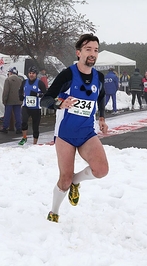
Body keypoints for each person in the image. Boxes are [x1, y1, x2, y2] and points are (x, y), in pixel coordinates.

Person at [39, 33, 108, 223]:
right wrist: (59, 104)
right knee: (65, 179)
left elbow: (101, 96)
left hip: (86, 133)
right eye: (88, 49)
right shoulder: (68, 74)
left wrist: (101, 117)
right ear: (78, 53)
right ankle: (54, 212)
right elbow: (45, 99)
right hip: (65, 135)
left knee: (101, 170)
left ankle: (77, 182)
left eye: (95, 50)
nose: (92, 54)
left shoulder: (99, 77)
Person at [17, 66, 47, 145]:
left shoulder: (40, 83)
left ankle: (34, 143)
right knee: (24, 121)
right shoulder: (24, 82)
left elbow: (46, 94)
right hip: (26, 106)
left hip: (36, 108)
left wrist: (37, 94)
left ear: (36, 74)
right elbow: (20, 90)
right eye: (30, 73)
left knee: (35, 126)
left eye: (33, 73)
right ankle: (24, 137)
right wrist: (20, 95)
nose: (31, 75)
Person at [0, 67, 23, 134]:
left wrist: (4, 100)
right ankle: (19, 128)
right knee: (18, 114)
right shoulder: (20, 80)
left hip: (9, 100)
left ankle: (5, 127)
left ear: (10, 73)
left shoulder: (8, 80)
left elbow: (6, 91)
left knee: (7, 114)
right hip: (18, 100)